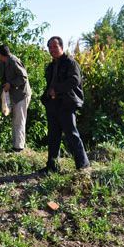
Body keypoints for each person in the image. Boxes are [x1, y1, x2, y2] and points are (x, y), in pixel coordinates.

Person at [40, 36, 90, 173]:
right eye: (50, 47)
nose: (52, 50)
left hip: (66, 103)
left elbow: (74, 80)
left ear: (61, 47)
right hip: (53, 104)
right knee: (53, 136)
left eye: (55, 46)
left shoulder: (70, 63)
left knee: (71, 134)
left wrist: (57, 90)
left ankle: (83, 165)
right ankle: (52, 166)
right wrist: (46, 96)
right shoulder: (51, 66)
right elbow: (49, 84)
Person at [0, 45, 31, 152]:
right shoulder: (6, 62)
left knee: (19, 120)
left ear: (1, 55)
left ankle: (19, 148)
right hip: (16, 95)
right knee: (15, 119)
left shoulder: (13, 61)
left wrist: (10, 84)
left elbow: (23, 77)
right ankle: (16, 146)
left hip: (22, 94)